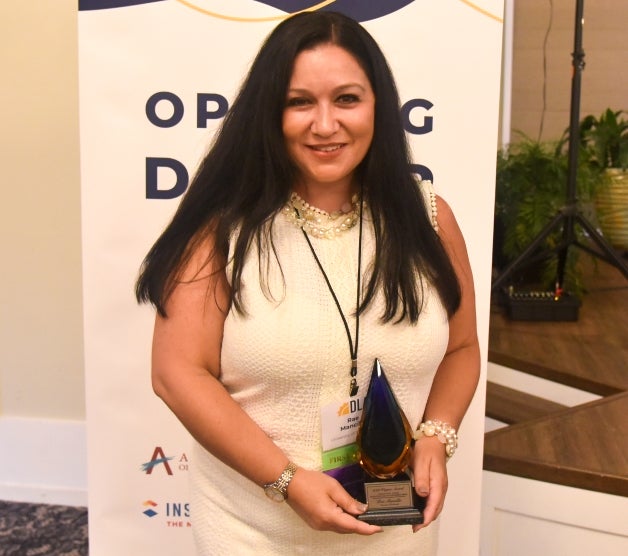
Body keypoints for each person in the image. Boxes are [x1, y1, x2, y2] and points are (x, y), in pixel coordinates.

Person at [136, 10, 480, 556]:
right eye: (300, 102)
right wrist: (286, 482)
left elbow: (461, 349)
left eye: (347, 99)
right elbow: (177, 373)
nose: (325, 125)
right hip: (254, 531)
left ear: (379, 107)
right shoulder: (223, 228)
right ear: (269, 113)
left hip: (394, 531)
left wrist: (438, 436)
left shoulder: (429, 218)